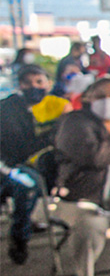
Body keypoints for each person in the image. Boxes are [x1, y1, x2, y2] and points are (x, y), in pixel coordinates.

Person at [53, 78, 110, 276]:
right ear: (87, 98)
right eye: (101, 95)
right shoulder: (75, 123)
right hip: (78, 199)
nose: (108, 101)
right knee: (90, 226)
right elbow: (95, 157)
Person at [1, 66, 72, 264]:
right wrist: (49, 137)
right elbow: (19, 148)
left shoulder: (58, 105)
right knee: (28, 184)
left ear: (48, 83)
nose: (34, 87)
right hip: (9, 166)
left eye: (39, 81)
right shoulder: (9, 109)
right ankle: (20, 236)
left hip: (35, 167)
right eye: (28, 82)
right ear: (20, 85)